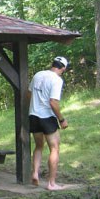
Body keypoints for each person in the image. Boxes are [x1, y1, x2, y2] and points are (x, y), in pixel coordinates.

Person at [28, 56, 69, 191]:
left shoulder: (38, 75)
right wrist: (61, 120)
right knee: (54, 148)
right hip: (47, 117)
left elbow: (28, 94)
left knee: (39, 146)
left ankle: (35, 173)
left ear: (53, 64)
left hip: (33, 115)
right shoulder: (56, 80)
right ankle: (51, 183)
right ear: (63, 68)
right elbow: (53, 102)